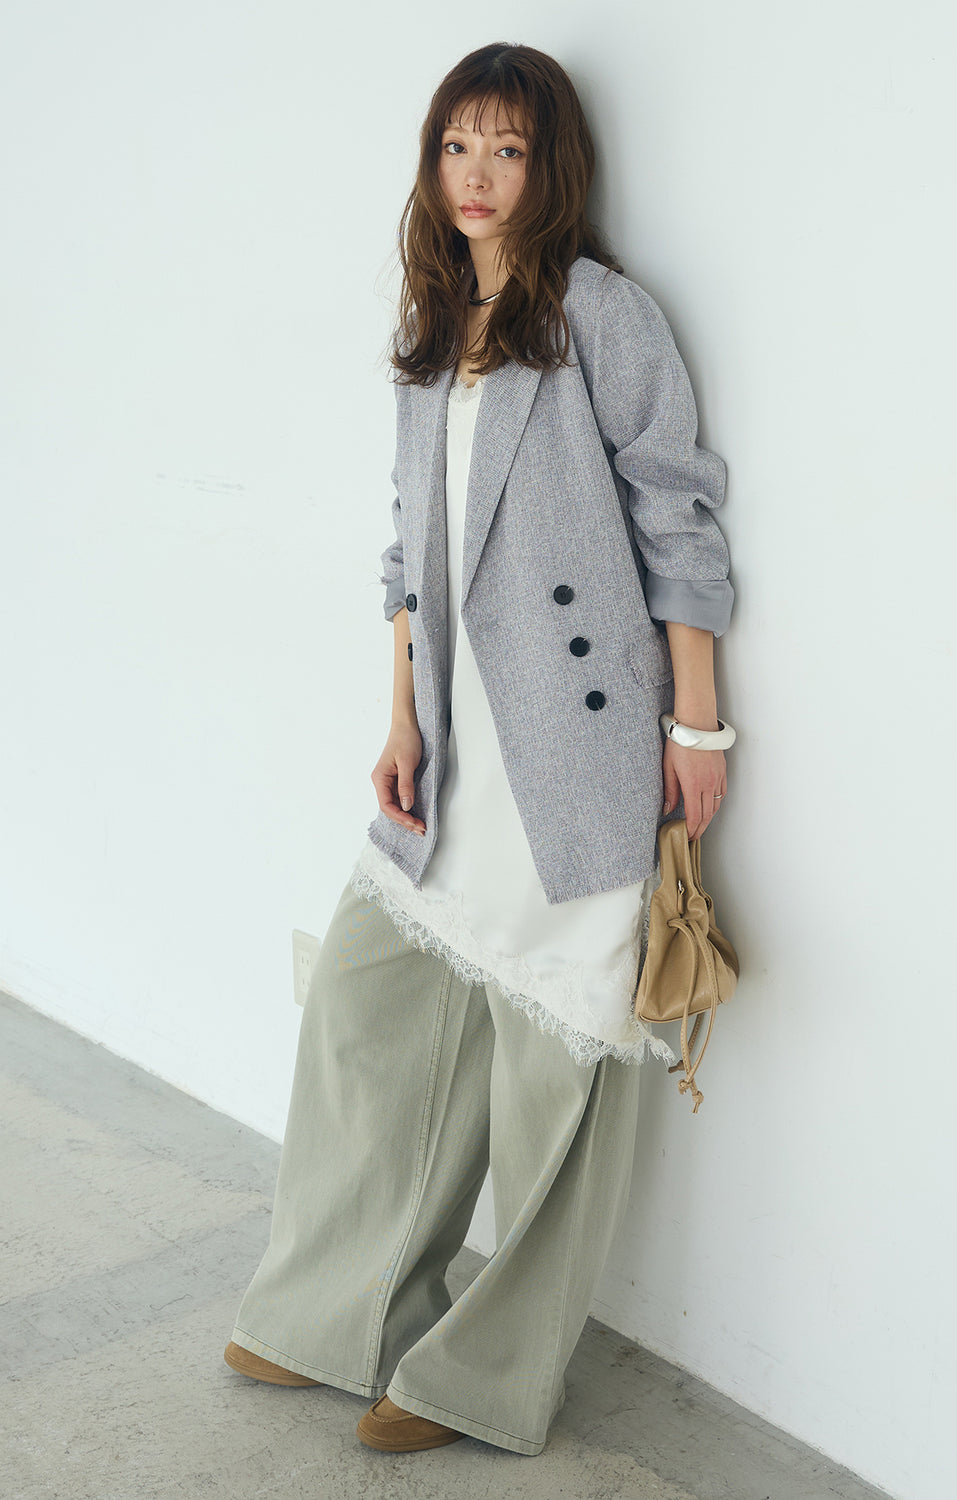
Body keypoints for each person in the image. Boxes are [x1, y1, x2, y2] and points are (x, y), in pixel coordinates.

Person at [223, 41, 735, 1459]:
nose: (477, 174)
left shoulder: (601, 315)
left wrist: (698, 723)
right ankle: (340, 1307)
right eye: (458, 145)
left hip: (576, 740)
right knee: (370, 1006)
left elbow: (678, 516)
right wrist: (399, 713)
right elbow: (410, 547)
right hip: (454, 735)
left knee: (555, 1066)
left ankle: (483, 1377)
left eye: (506, 148)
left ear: (550, 166)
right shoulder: (433, 317)